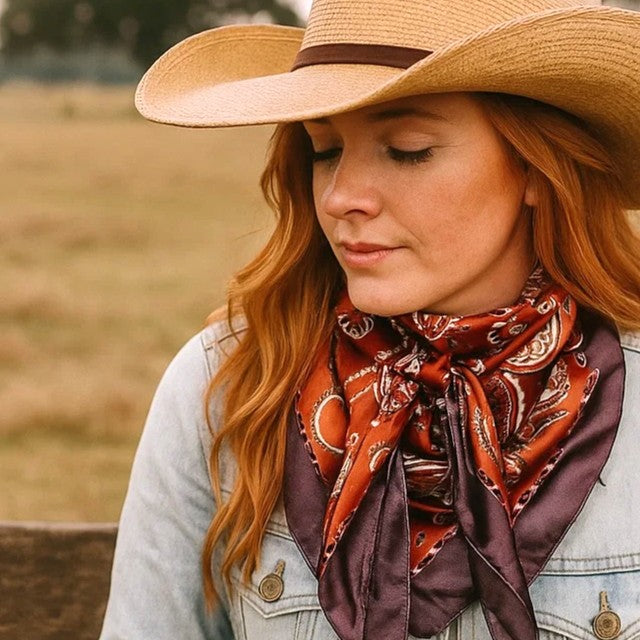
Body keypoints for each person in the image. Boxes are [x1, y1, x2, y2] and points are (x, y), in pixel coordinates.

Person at [100, 1, 640, 639]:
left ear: (535, 167)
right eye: (325, 149)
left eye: (407, 150)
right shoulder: (228, 385)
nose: (339, 197)